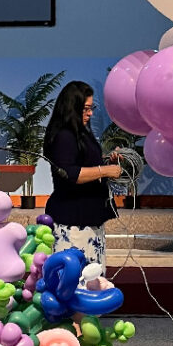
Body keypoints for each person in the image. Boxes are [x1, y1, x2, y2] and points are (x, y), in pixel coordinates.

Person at [42, 80, 123, 267]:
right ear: (72, 107)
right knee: (76, 278)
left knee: (93, 278)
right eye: (86, 108)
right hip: (73, 223)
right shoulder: (64, 135)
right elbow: (70, 173)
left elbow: (85, 163)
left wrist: (107, 162)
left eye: (91, 108)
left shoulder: (82, 133)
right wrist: (105, 170)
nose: (90, 113)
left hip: (90, 219)